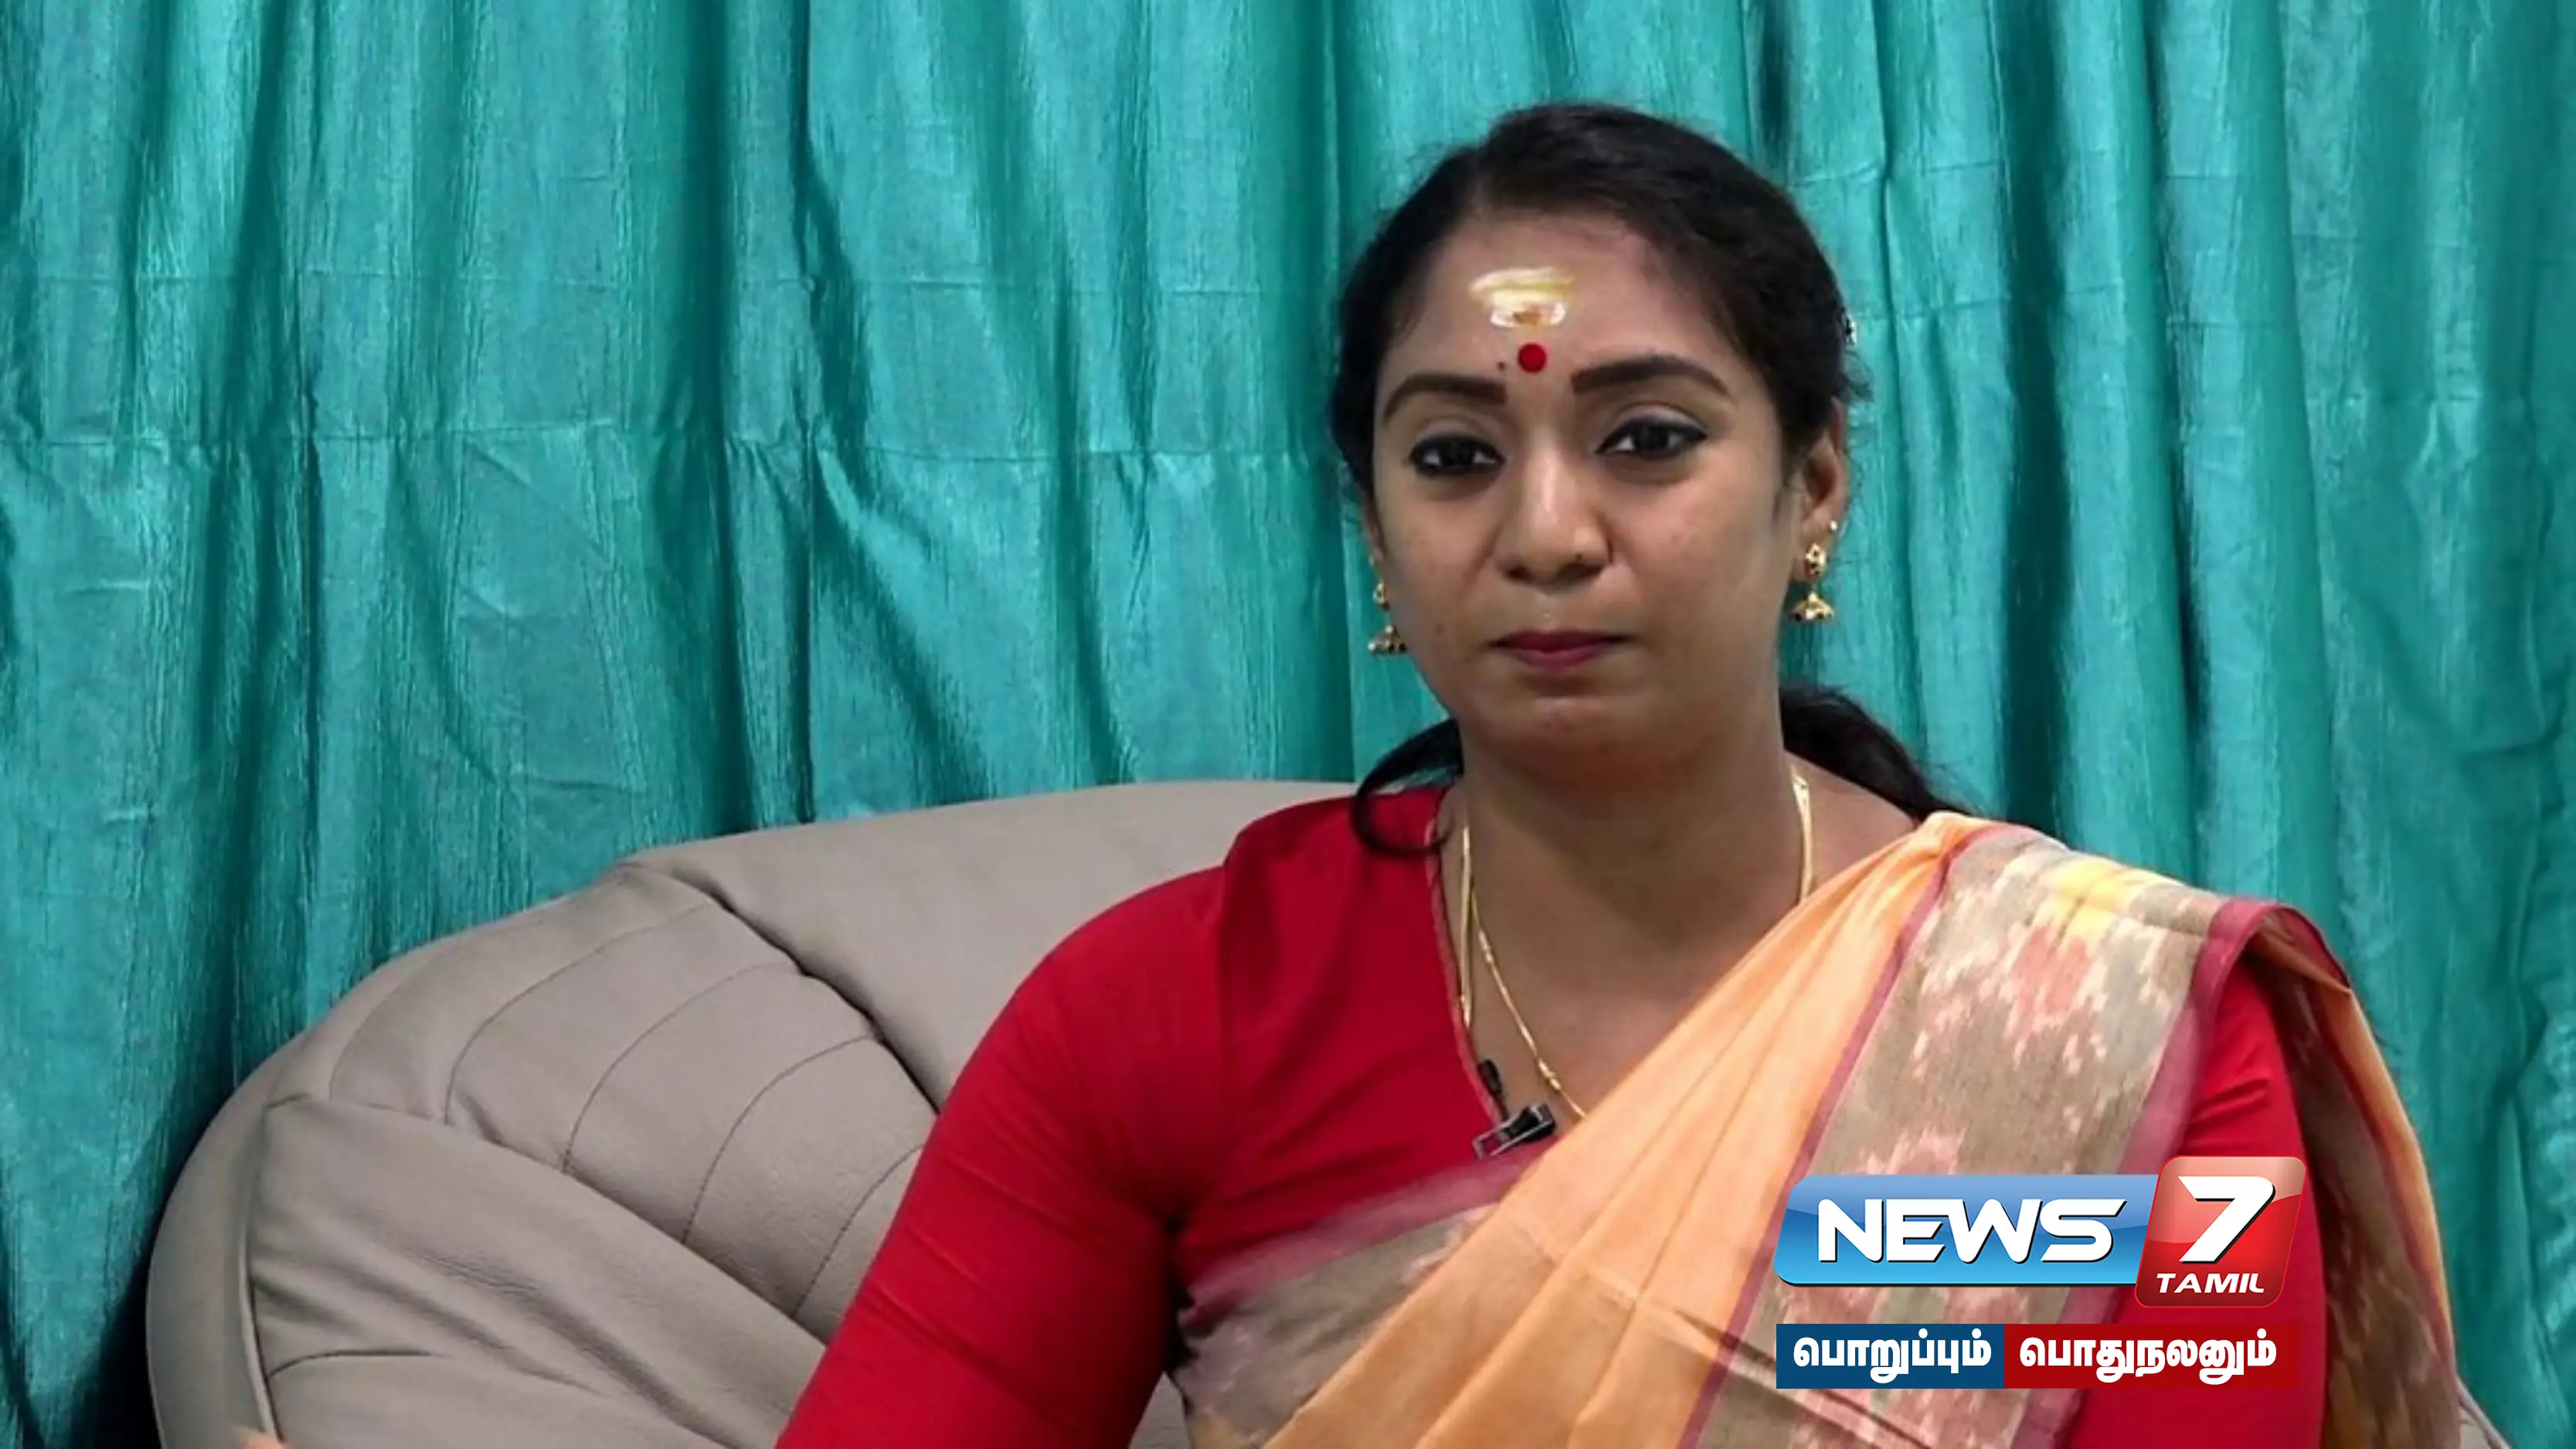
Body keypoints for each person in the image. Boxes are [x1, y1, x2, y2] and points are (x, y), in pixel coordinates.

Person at [780, 104, 2492, 1448]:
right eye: (1454, 454)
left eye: (1647, 438)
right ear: (1371, 526)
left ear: (1814, 485)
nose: (1546, 532)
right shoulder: (1170, 1015)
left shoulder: (2106, 1039)